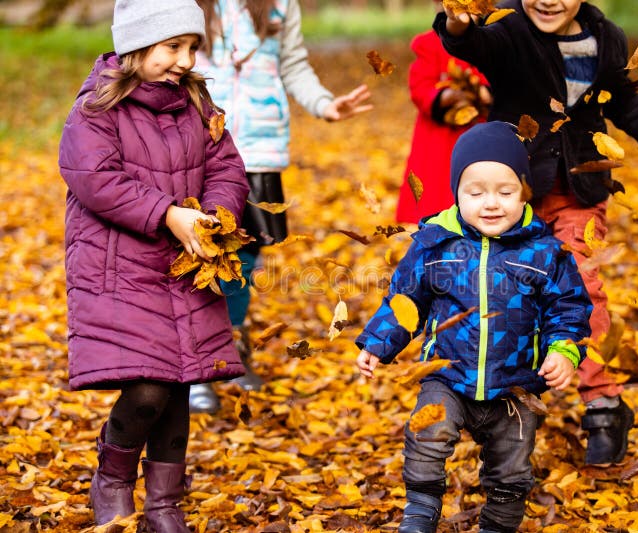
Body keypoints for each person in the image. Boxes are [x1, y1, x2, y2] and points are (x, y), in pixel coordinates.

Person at [434, 0, 638, 464]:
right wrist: (458, 22)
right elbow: (471, 44)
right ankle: (511, 405)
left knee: (580, 282)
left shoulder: (606, 36)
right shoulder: (508, 27)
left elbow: (625, 102)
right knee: (509, 292)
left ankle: (603, 404)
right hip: (514, 192)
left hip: (580, 188)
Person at [58, 0, 250, 530]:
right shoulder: (97, 107)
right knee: (149, 387)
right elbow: (94, 178)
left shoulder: (197, 103)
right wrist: (166, 214)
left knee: (180, 383)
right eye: (173, 47)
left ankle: (165, 504)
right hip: (121, 269)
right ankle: (113, 477)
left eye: (192, 47)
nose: (185, 60)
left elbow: (226, 167)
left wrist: (215, 216)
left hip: (187, 267)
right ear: (136, 45)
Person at [356, 121, 593, 533]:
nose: (491, 203)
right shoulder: (435, 244)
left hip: (516, 383)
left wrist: (563, 350)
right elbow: (406, 299)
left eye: (506, 192)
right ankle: (420, 510)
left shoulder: (544, 252)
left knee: (512, 466)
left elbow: (568, 308)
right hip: (447, 374)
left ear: (525, 192)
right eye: (476, 192)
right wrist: (378, 343)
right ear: (456, 193)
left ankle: (498, 524)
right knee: (427, 433)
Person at [189, 0, 373, 413]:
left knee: (244, 256)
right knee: (200, 253)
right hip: (198, 146)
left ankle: (229, 350)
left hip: (258, 150)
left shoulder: (280, 4)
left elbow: (292, 64)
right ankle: (195, 363)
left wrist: (325, 104)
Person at [395, 0, 491, 224]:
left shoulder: (492, 40)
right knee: (437, 191)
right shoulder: (429, 44)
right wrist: (444, 97)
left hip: (479, 128)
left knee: (480, 185)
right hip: (439, 137)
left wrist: (484, 92)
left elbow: (500, 77)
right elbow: (419, 86)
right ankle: (436, 229)